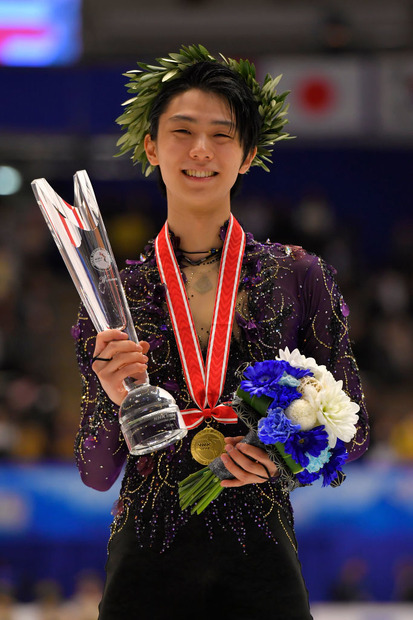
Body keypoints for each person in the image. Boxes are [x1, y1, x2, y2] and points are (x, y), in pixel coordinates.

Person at [73, 45, 369, 620]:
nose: (201, 150)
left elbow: (354, 430)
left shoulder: (299, 277)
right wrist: (116, 403)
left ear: (248, 153)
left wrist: (284, 460)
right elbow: (95, 471)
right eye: (182, 131)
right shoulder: (110, 298)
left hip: (261, 565)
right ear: (151, 147)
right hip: (146, 569)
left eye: (222, 134)